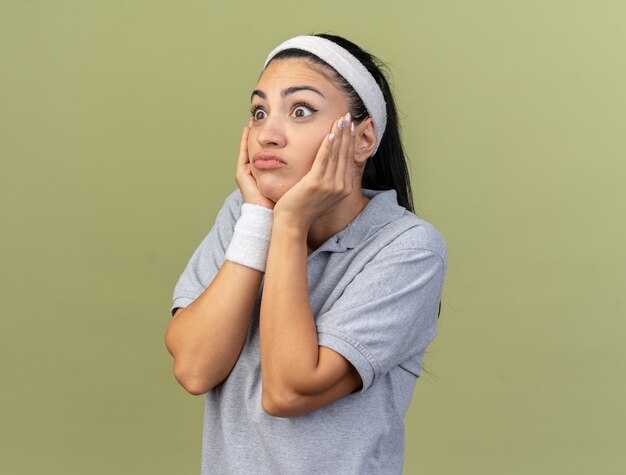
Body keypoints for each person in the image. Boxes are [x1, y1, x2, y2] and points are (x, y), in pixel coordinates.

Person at [165, 33, 447, 475]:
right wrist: (259, 220)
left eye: (300, 111)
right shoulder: (243, 218)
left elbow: (288, 391)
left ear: (362, 138)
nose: (268, 135)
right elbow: (195, 368)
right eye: (259, 112)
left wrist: (291, 225)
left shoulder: (409, 249)